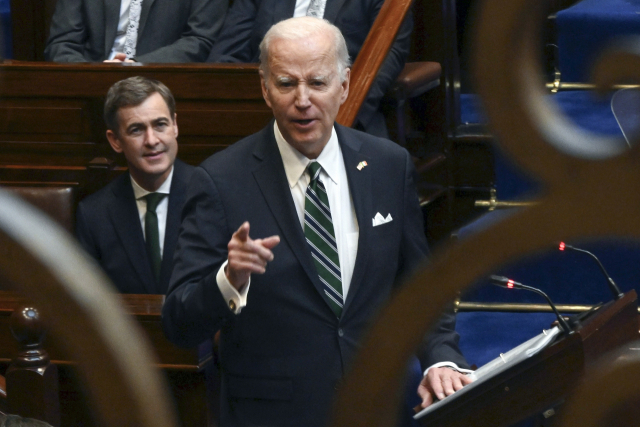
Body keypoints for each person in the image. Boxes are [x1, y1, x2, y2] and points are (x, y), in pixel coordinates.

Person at [163, 17, 470, 427]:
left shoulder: (387, 165)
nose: (302, 99)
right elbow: (179, 323)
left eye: (318, 83)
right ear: (265, 88)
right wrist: (228, 280)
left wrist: (441, 358)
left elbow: (416, 284)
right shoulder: (220, 181)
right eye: (287, 83)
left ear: (344, 85)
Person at [206, 0, 412, 138]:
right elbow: (225, 56)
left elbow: (387, 54)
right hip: (263, 116)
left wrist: (346, 111)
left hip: (348, 115)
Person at [76, 76, 195, 294]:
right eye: (136, 130)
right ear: (115, 140)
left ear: (175, 126)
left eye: (160, 125)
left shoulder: (213, 195)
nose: (151, 140)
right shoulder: (94, 214)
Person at [44, 0, 227, 63]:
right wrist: (94, 75)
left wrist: (134, 66)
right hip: (90, 88)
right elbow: (62, 44)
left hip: (164, 85)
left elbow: (200, 40)